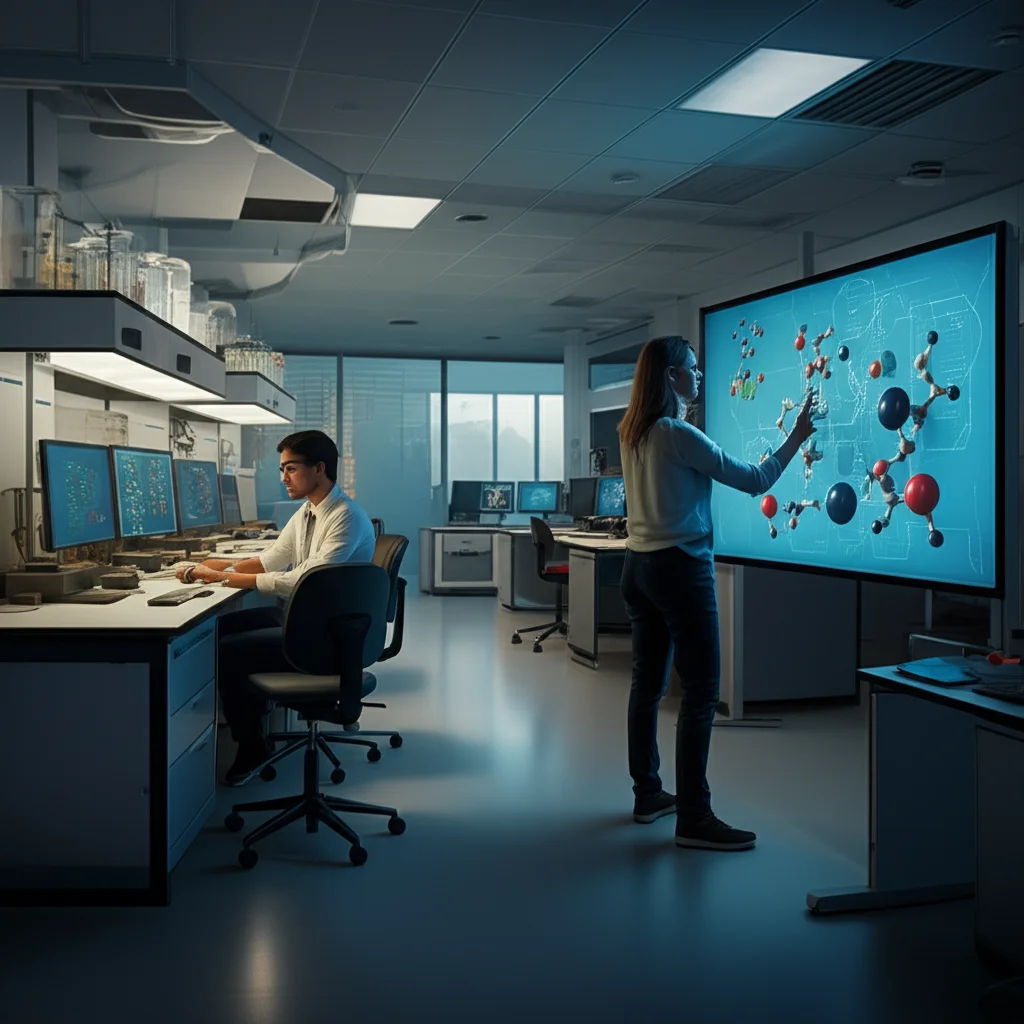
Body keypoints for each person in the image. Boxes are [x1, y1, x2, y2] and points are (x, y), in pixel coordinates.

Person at [617, 336, 815, 850]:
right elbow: (753, 480)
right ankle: (695, 818)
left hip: (638, 568)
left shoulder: (631, 430)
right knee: (703, 692)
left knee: (647, 685)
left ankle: (648, 796)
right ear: (670, 377)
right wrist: (795, 437)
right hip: (680, 570)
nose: (699, 376)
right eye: (691, 368)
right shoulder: (678, 434)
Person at [176, 430, 376, 784]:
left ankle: (252, 745)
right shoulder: (309, 511)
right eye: (282, 469)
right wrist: (220, 568)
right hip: (308, 617)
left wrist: (222, 579)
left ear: (319, 468)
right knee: (222, 628)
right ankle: (255, 718)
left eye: (290, 469)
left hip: (327, 636)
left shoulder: (344, 516)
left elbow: (304, 577)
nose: (283, 477)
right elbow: (273, 559)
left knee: (227, 651)